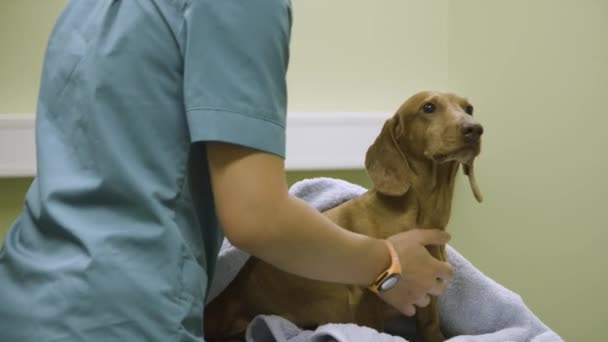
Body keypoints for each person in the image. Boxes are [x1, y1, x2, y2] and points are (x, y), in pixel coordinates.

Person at [0, 1, 453, 341]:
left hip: (25, 297)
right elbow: (257, 217)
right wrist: (387, 266)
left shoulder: (87, 9)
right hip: (120, 317)